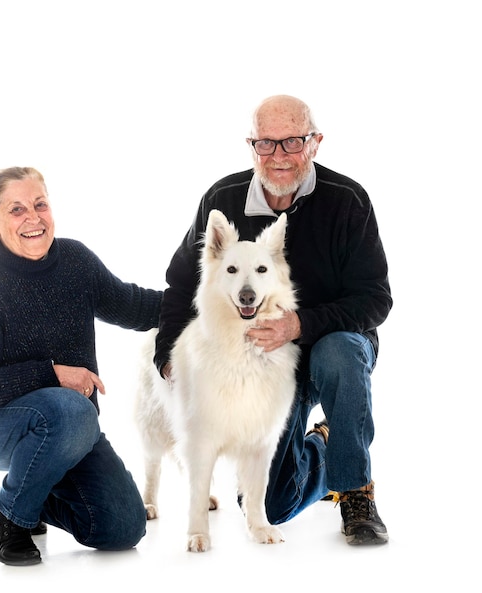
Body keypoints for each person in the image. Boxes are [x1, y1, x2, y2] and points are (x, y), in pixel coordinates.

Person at [154, 95, 392, 545]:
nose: (279, 156)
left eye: (292, 142)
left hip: (328, 349)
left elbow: (375, 299)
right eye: (266, 144)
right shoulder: (221, 199)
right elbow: (182, 285)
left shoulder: (347, 201)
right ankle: (325, 445)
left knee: (341, 350)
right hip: (260, 364)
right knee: (274, 505)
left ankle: (356, 491)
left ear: (316, 143)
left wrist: (299, 326)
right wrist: (169, 359)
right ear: (251, 146)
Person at [0, 166, 163, 565]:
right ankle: (10, 516)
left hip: (70, 427)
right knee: (72, 408)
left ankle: (35, 496)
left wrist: (205, 302)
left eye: (40, 204)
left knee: (124, 528)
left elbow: (133, 305)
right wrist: (53, 373)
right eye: (16, 209)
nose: (33, 217)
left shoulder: (75, 262)